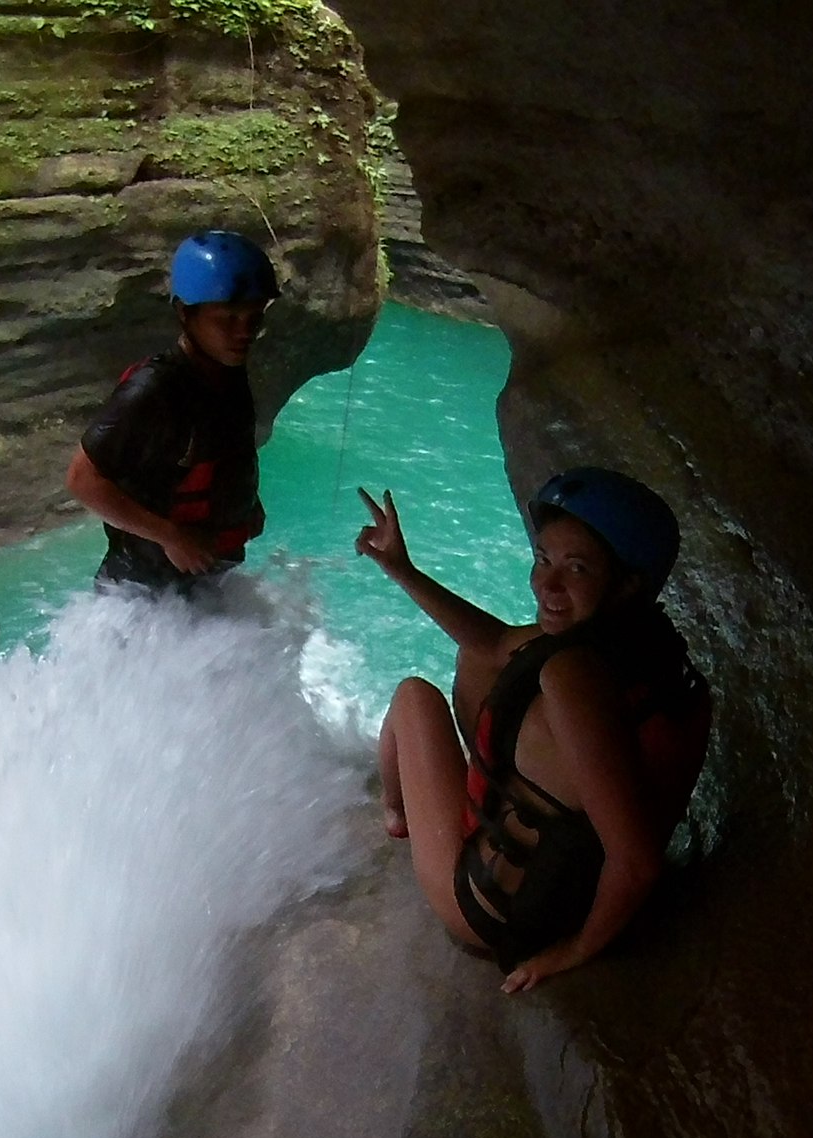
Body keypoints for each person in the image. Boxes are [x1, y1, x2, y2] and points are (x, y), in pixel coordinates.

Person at [358, 467, 711, 993]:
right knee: (482, 659)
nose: (547, 584)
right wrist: (401, 569)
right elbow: (495, 641)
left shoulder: (573, 679)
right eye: (543, 559)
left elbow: (637, 861)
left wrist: (574, 952)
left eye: (577, 569)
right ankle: (475, 794)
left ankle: (396, 810)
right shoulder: (649, 651)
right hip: (569, 877)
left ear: (627, 581)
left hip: (495, 913)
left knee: (413, 698)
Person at [65, 230, 278, 591]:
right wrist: (170, 536)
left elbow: (225, 451)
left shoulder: (227, 371)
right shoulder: (153, 390)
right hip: (140, 592)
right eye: (227, 319)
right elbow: (82, 481)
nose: (245, 333)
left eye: (253, 318)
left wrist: (244, 504)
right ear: (185, 312)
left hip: (199, 580)